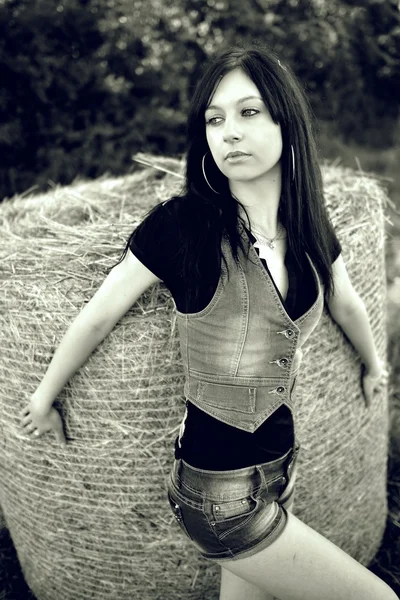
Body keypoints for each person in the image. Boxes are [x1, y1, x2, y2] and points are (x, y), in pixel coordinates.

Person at [19, 44, 396, 600]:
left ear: (286, 123)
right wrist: (44, 397)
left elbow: (346, 303)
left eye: (249, 113)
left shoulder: (309, 224)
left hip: (280, 470)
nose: (229, 132)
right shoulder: (184, 226)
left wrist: (373, 363)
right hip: (219, 495)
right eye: (214, 119)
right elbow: (98, 317)